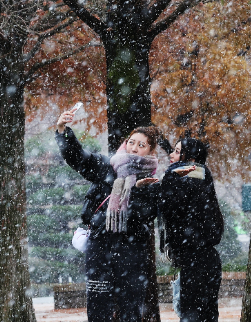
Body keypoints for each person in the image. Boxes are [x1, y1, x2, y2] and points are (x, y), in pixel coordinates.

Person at [54, 106, 161, 322]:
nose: (134, 148)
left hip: (132, 250)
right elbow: (79, 158)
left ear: (150, 152)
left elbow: (144, 217)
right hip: (100, 247)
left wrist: (138, 191)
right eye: (132, 142)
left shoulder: (151, 182)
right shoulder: (108, 166)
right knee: (98, 305)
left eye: (141, 145)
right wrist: (63, 130)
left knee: (130, 307)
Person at [138, 137, 224, 322]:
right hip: (202, 259)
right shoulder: (198, 177)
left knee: (192, 313)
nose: (171, 155)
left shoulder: (188, 178)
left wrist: (152, 186)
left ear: (191, 159)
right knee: (206, 314)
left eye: (177, 151)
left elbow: (168, 203)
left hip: (196, 261)